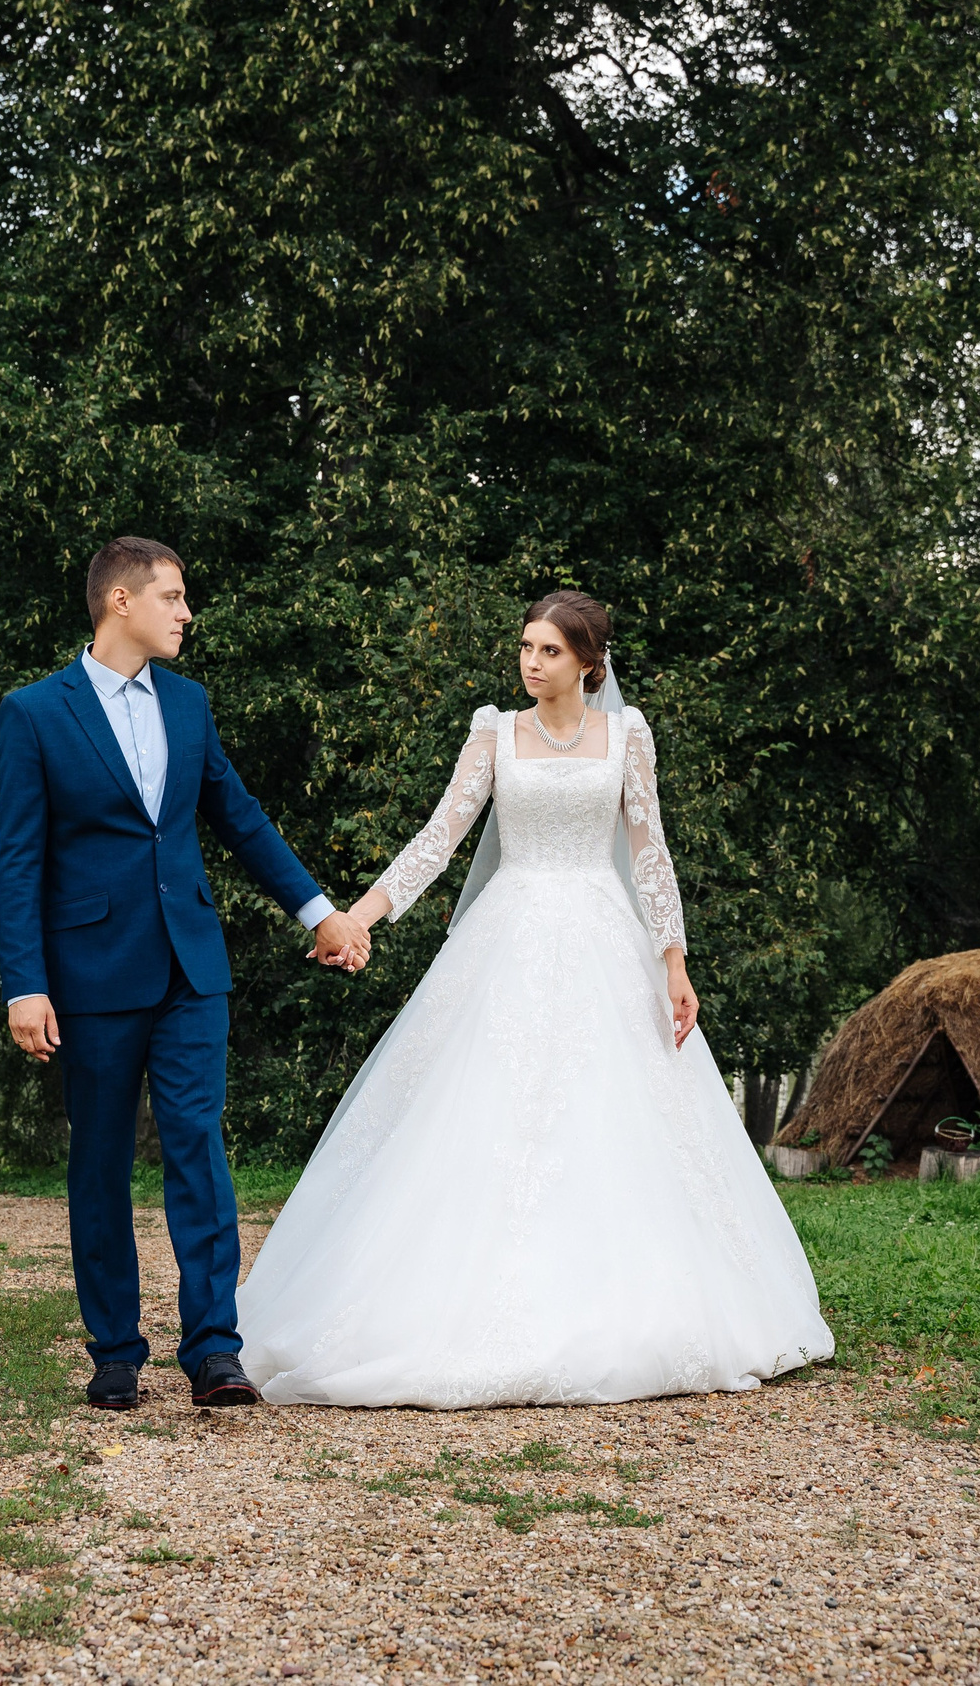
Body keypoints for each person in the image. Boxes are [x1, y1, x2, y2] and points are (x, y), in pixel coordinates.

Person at [236, 591, 833, 1408]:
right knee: (482, 1107)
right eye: (526, 647)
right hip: (507, 935)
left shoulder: (628, 735)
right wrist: (359, 920)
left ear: (589, 663)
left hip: (604, 939)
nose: (531, 661)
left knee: (613, 1111)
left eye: (549, 651)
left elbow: (649, 852)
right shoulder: (494, 731)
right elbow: (437, 840)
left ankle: (631, 1302)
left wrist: (675, 960)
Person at [0, 537, 372, 1410]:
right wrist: (26, 982)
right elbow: (16, 861)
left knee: (198, 1149)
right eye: (171, 596)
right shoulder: (37, 713)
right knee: (99, 1164)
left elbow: (239, 818)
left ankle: (212, 1350)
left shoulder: (191, 705)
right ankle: (116, 1353)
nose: (186, 611)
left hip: (191, 967)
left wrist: (322, 913)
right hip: (87, 976)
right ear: (120, 602)